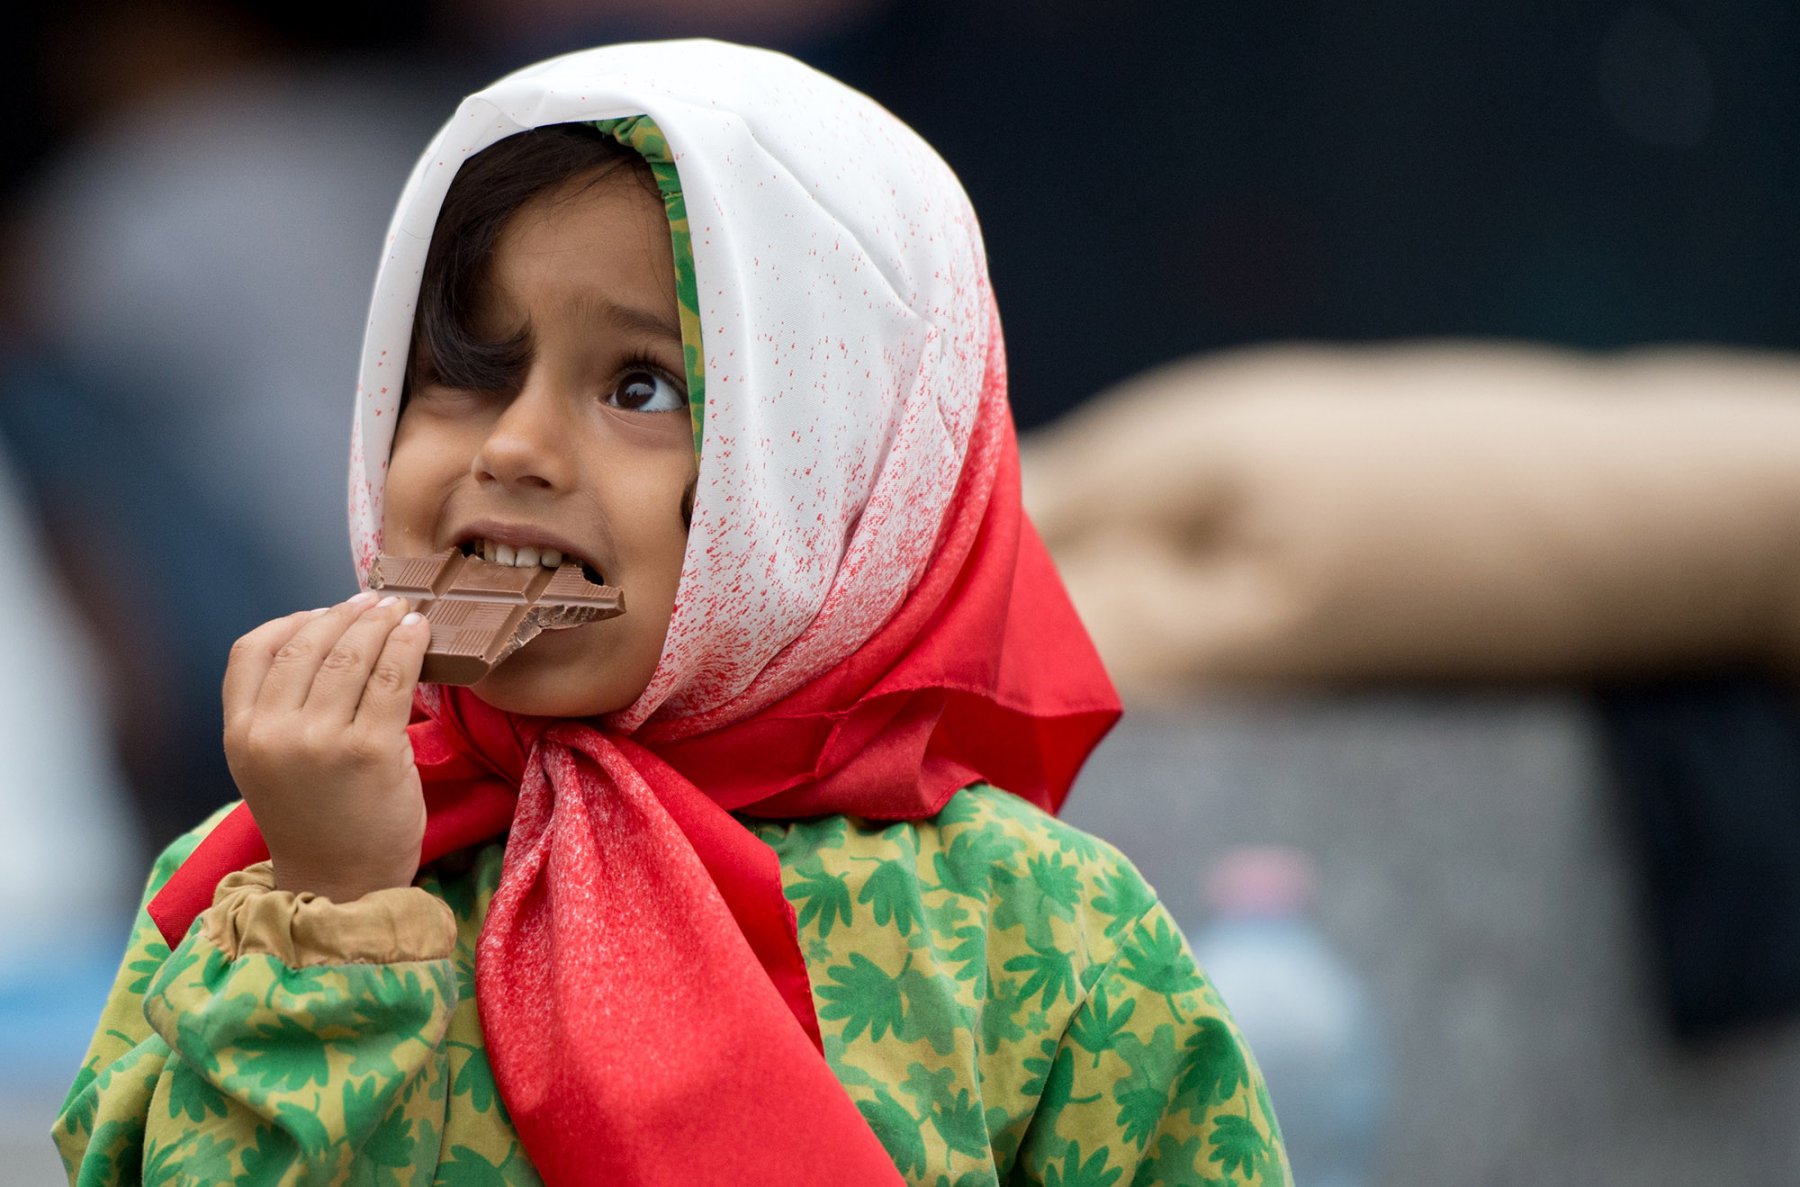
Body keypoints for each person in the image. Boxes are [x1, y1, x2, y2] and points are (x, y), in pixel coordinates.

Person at [52, 41, 1291, 1186]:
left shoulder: (1040, 929)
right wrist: (330, 911)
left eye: (642, 385)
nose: (519, 445)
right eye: (467, 372)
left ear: (841, 462)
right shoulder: (259, 878)